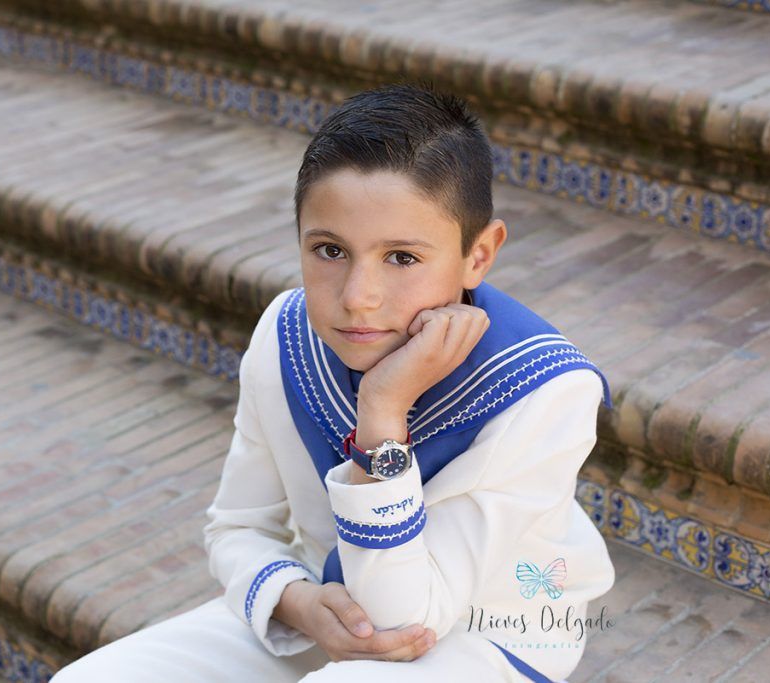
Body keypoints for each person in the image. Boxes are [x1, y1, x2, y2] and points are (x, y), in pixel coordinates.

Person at [51, 81, 615, 682]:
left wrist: (382, 414)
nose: (358, 298)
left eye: (402, 257)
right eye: (329, 250)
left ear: (479, 254)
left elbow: (402, 617)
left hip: (487, 637)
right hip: (319, 611)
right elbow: (237, 527)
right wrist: (296, 602)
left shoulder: (543, 391)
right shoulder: (287, 334)